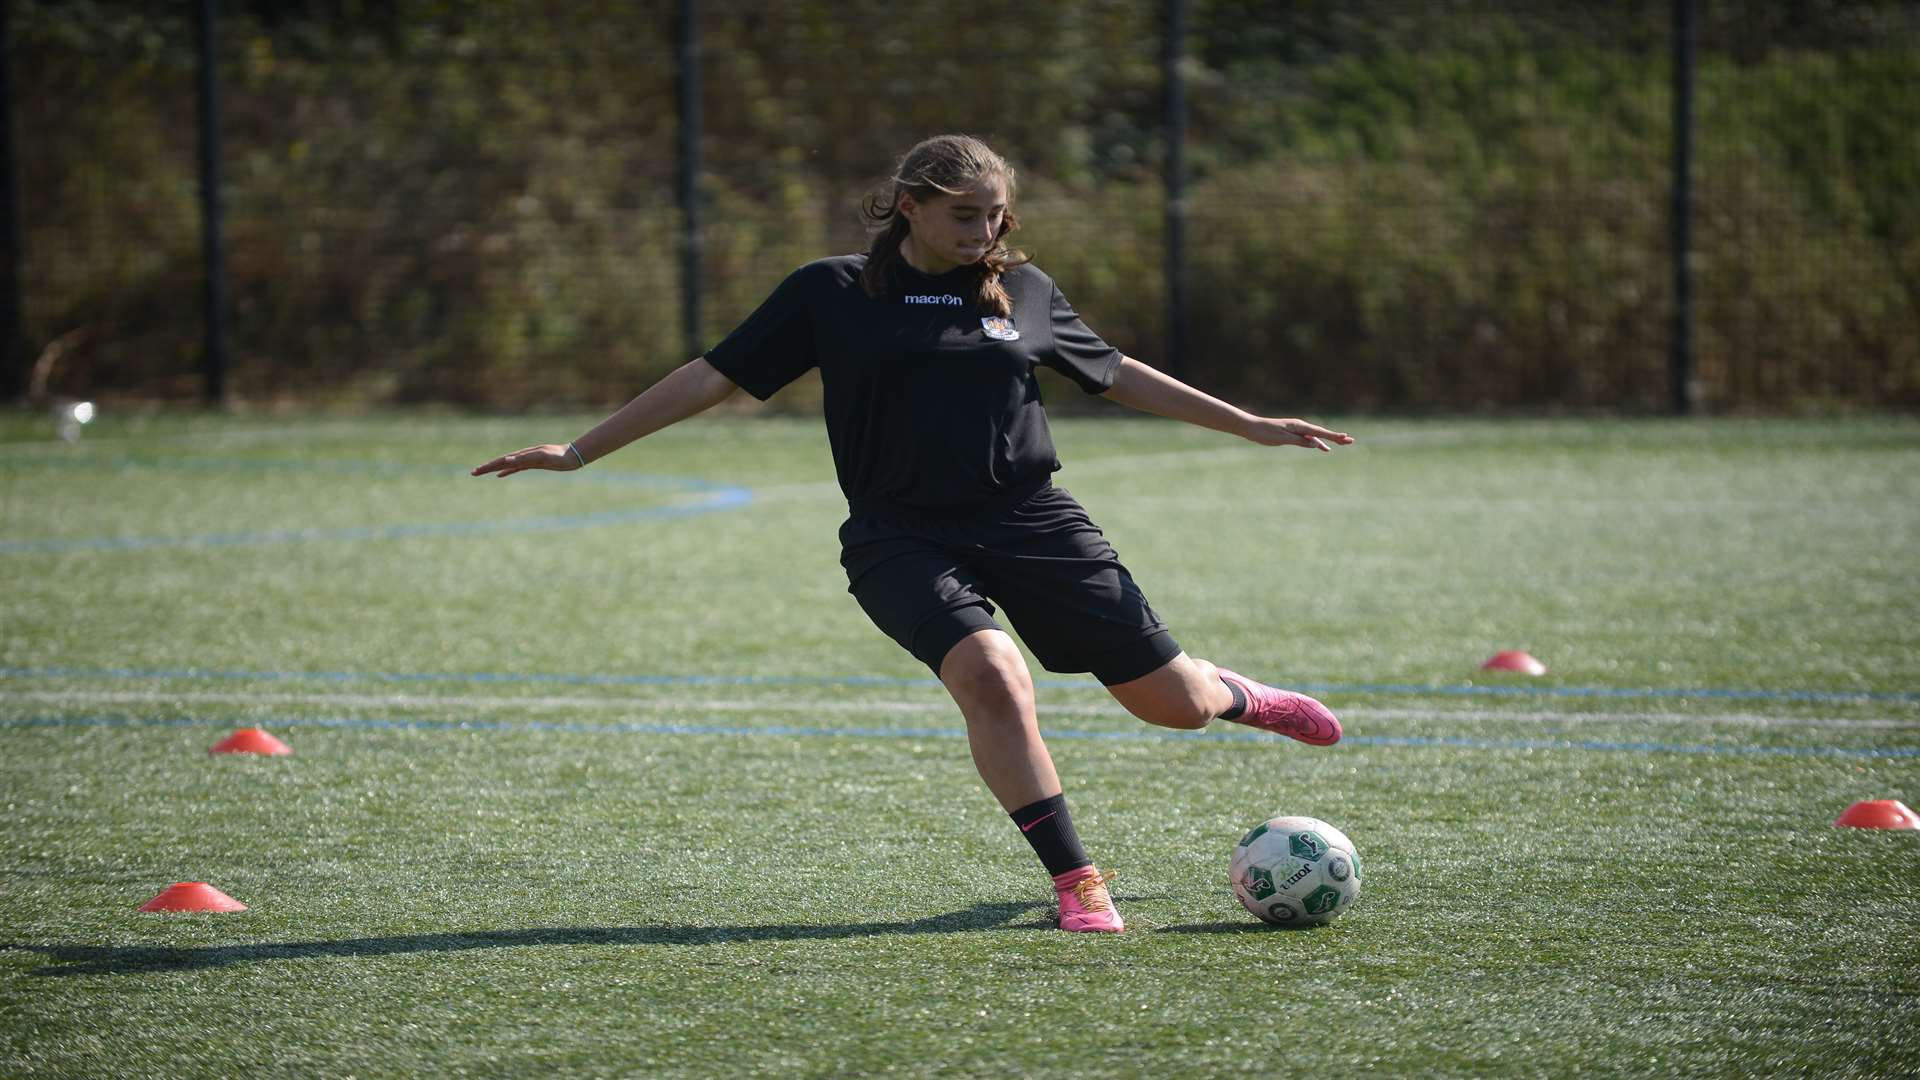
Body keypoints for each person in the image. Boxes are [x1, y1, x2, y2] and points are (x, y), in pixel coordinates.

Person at [473, 134, 1354, 933]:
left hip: (1033, 521)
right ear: (912, 206)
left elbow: (1117, 374)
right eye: (963, 215)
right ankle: (1077, 878)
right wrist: (581, 450)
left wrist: (1252, 424)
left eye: (994, 216)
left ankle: (1236, 694)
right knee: (992, 674)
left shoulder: (1025, 293)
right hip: (899, 535)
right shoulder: (832, 292)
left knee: (1176, 708)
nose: (982, 231)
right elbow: (714, 376)